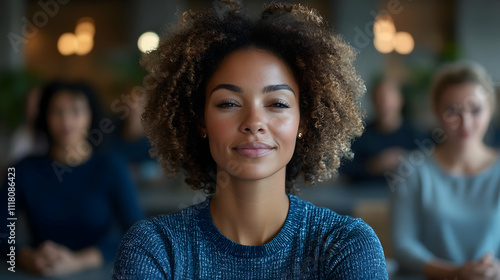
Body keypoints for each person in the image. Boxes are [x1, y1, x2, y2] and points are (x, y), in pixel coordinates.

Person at [113, 2, 388, 279]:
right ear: (200, 121)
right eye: (229, 103)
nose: (254, 122)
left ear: (304, 122)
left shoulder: (346, 245)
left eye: (277, 104)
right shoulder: (156, 248)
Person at [0, 81, 145, 277]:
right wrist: (26, 257)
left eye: (75, 111)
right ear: (45, 117)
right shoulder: (21, 170)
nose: (66, 121)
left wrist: (79, 261)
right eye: (57, 112)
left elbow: (138, 235)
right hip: (40, 273)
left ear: (90, 115)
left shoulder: (112, 167)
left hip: (99, 273)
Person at [391, 62, 500, 279]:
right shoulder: (412, 170)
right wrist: (455, 273)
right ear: (436, 112)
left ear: (490, 109)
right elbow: (403, 245)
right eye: (453, 111)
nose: (465, 122)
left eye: (475, 109)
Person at [341, 79, 424, 185]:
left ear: (400, 100)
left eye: (388, 97)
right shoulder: (359, 134)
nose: (384, 102)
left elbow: (431, 164)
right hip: (366, 195)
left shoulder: (416, 133)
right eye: (379, 97)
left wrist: (405, 159)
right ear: (373, 101)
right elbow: (346, 170)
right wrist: (374, 165)